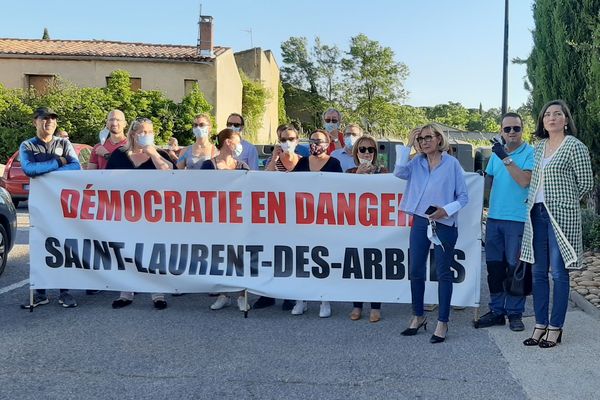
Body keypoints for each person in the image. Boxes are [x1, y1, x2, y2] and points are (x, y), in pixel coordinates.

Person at [520, 100, 593, 348]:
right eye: (547, 114)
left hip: (560, 216)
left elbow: (585, 183)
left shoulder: (574, 146)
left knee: (559, 273)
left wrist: (564, 202)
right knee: (539, 272)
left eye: (557, 114)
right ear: (543, 121)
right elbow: (534, 181)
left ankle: (555, 327)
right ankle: (540, 324)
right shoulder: (538, 148)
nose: (551, 118)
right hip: (536, 214)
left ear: (565, 119)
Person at [393, 124, 468, 343]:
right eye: (420, 139)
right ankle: (418, 316)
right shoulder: (416, 162)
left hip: (444, 223)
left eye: (428, 137)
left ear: (438, 139)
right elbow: (399, 171)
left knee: (443, 273)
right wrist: (408, 144)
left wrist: (446, 210)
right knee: (415, 269)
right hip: (419, 221)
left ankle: (442, 322)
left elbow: (463, 197)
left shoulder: (452, 164)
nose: (424, 142)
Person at [106, 117, 173, 310]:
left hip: (153, 213)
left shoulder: (159, 154)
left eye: (150, 132)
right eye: (143, 132)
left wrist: (153, 154)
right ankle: (126, 292)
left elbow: (170, 174)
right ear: (133, 134)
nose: (146, 135)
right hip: (126, 212)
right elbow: (107, 180)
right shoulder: (119, 154)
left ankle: (157, 294)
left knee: (153, 252)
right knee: (126, 250)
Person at [475, 113, 533, 332]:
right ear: (501, 131)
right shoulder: (496, 155)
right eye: (507, 129)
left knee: (515, 269)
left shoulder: (530, 153)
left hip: (517, 219)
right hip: (494, 219)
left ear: (522, 130)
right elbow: (488, 181)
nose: (511, 133)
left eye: (515, 128)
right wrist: (477, 178)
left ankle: (515, 313)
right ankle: (497, 311)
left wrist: (505, 158)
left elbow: (524, 181)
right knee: (495, 269)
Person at [19, 107, 81, 309]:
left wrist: (46, 169)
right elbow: (29, 169)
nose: (49, 122)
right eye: (45, 119)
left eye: (53, 119)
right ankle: (40, 293)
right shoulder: (27, 145)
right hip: (39, 204)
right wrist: (57, 161)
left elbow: (75, 167)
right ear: (35, 121)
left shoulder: (64, 143)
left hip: (62, 203)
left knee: (64, 246)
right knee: (40, 245)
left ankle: (65, 291)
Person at [292, 129, 343, 317]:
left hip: (325, 218)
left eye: (320, 141)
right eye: (312, 140)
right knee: (302, 259)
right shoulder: (302, 162)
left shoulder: (334, 163)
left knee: (323, 259)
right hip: (303, 219)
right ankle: (301, 299)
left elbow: (340, 188)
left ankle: (324, 299)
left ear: (328, 142)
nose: (315, 144)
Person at [200, 128, 251, 312]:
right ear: (228, 142)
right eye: (237, 141)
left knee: (239, 257)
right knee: (220, 256)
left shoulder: (242, 167)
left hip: (238, 219)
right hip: (217, 219)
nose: (240, 145)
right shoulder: (208, 166)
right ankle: (223, 294)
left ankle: (241, 295)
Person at [253, 125, 301, 311]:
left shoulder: (303, 162)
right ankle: (267, 295)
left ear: (297, 140)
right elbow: (264, 181)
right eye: (283, 139)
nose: (287, 142)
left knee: (292, 256)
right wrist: (274, 158)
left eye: (290, 139)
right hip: (274, 216)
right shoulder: (274, 162)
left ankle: (290, 295)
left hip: (296, 217)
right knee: (270, 255)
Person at [346, 135, 388, 322]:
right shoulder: (349, 172)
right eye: (362, 149)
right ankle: (357, 305)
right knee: (356, 266)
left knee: (375, 266)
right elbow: (342, 195)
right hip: (354, 225)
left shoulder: (384, 172)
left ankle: (375, 306)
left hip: (377, 226)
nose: (366, 153)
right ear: (356, 152)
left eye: (370, 150)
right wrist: (358, 176)